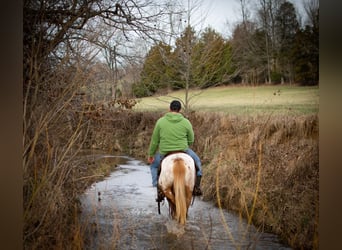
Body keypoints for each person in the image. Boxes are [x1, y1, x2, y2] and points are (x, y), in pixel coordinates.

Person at [147, 100, 203, 202]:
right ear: (180, 110)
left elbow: (155, 141)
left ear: (169, 109)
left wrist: (151, 154)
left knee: (154, 166)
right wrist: (184, 144)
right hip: (184, 150)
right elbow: (191, 139)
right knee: (198, 163)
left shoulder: (160, 121)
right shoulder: (186, 122)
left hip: (164, 152)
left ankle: (158, 188)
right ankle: (197, 187)